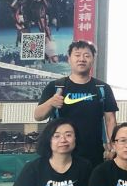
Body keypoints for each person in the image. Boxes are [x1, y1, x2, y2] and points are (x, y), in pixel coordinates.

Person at [34, 40, 118, 168]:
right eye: (77, 55)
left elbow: (110, 120)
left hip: (93, 153)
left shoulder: (102, 88)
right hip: (61, 153)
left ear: (93, 60)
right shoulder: (55, 87)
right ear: (69, 59)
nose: (82, 59)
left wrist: (113, 146)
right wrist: (51, 102)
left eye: (87, 55)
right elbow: (38, 116)